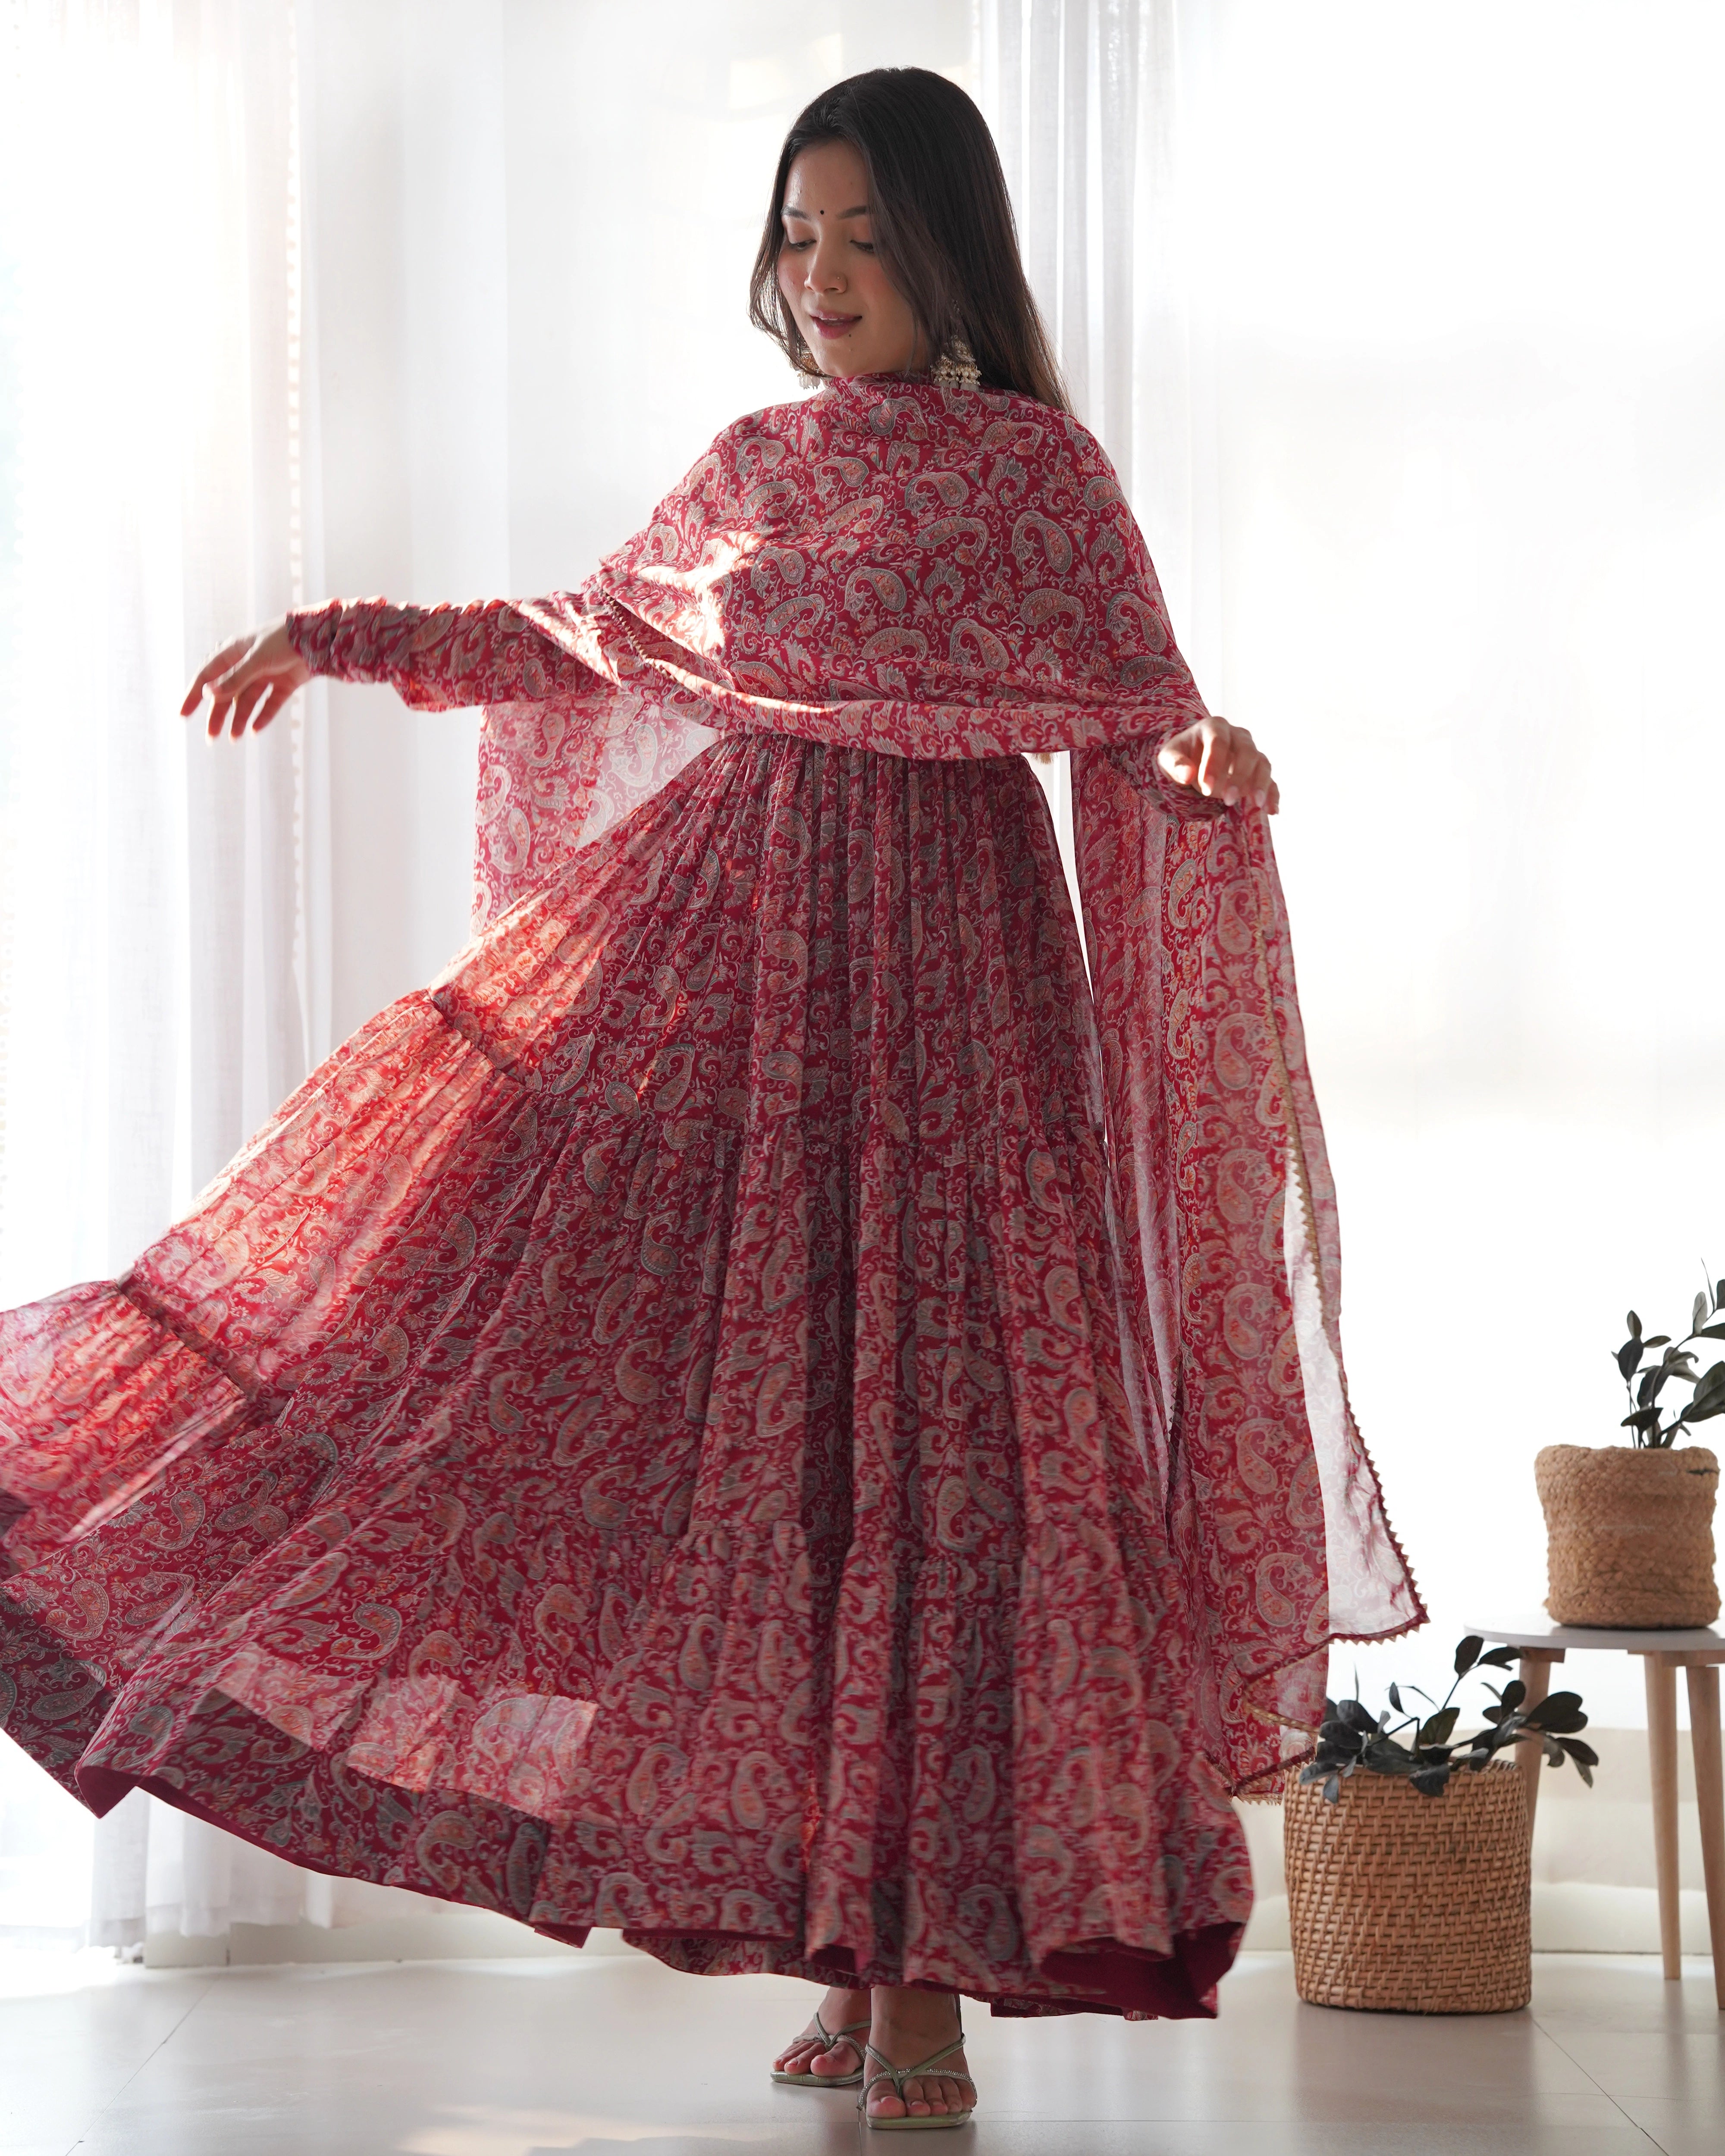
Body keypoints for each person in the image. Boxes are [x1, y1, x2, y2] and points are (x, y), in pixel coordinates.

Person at [0, 67, 1419, 2131]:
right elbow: (585, 636)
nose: (818, 276)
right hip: (736, 991)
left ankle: (920, 1987)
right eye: (793, 235)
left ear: (947, 247)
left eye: (860, 236)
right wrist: (336, 632)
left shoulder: (1041, 479)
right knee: (753, 1457)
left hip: (955, 1008)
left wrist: (1210, 765)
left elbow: (1140, 721)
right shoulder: (756, 461)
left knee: (947, 1474)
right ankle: (846, 1950)